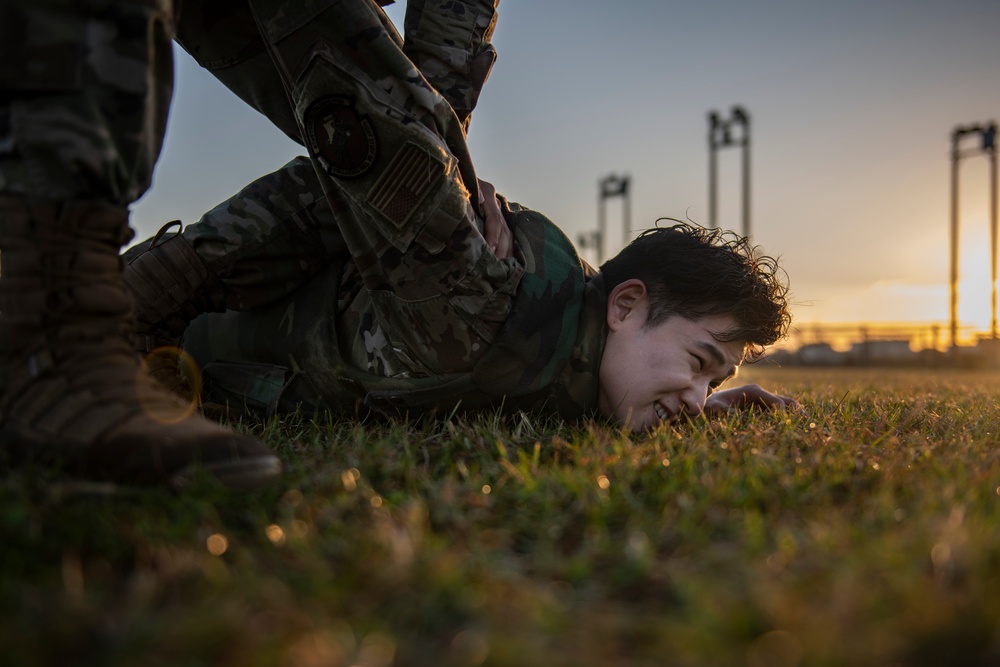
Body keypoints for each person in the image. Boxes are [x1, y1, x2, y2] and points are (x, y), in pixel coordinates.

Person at [118, 1, 795, 430]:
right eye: (700, 361)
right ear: (624, 306)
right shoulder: (490, 298)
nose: (697, 397)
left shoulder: (571, 344)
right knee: (392, 142)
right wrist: (142, 293)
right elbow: (365, 122)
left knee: (421, 122)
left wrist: (699, 399)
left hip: (196, 358)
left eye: (713, 380)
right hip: (145, 349)